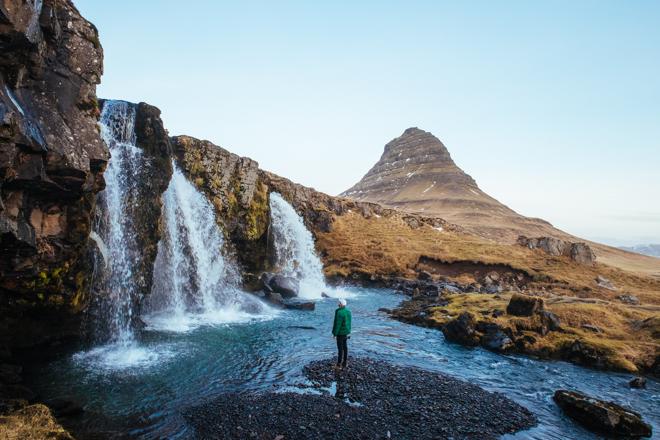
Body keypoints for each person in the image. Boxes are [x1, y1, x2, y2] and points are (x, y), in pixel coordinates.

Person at [332, 298, 352, 369]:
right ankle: (345, 362)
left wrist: (334, 334)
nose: (338, 304)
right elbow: (349, 323)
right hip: (346, 332)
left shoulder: (339, 313)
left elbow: (338, 324)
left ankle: (338, 364)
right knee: (345, 347)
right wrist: (349, 331)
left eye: (339, 303)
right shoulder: (348, 311)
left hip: (340, 333)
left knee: (340, 349)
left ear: (341, 304)